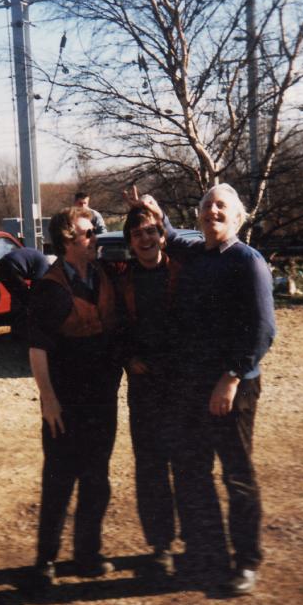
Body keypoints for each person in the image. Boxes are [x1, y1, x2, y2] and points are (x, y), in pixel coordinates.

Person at [153, 183, 277, 596]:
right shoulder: (196, 256)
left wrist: (231, 377)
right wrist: (154, 212)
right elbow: (169, 237)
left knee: (237, 476)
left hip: (232, 387)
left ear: (239, 217)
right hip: (193, 384)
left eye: (222, 206)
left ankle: (246, 562)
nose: (213, 212)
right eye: (206, 206)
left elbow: (263, 330)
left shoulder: (248, 262)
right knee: (194, 472)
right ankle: (208, 553)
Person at [23, 205, 121, 593]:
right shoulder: (49, 288)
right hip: (65, 404)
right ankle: (45, 561)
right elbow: (37, 349)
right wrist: (48, 400)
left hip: (102, 401)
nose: (96, 237)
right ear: (67, 239)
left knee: (97, 479)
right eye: (88, 233)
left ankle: (88, 555)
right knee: (59, 480)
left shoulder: (103, 277)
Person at [116, 204, 183, 578]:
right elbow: (114, 328)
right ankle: (161, 546)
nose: (146, 238)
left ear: (163, 234)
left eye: (152, 231)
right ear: (130, 241)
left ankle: (197, 541)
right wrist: (127, 357)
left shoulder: (181, 273)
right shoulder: (122, 281)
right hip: (144, 387)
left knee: (189, 464)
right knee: (151, 467)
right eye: (138, 233)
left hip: (182, 384)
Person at [0, 246, 49, 339]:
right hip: (11, 268)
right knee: (27, 300)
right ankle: (26, 331)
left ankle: (17, 330)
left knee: (17, 298)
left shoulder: (37, 256)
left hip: (0, 266)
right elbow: (36, 285)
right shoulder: (44, 264)